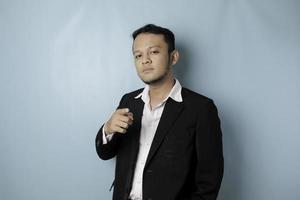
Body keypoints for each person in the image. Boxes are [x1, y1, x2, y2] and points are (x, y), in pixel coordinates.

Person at [95, 24, 224, 200]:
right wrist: (108, 129)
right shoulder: (128, 101)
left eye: (154, 52)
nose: (145, 60)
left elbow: (209, 180)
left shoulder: (201, 109)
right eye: (138, 55)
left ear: (174, 57)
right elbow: (105, 153)